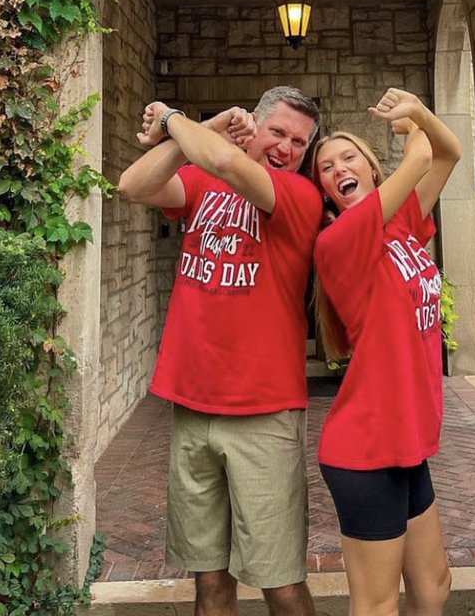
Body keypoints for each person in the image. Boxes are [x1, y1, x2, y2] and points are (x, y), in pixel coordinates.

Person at [118, 86, 322, 616]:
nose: (287, 148)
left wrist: (171, 118)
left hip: (264, 411)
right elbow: (133, 184)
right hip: (191, 403)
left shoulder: (298, 197)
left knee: (281, 583)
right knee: (208, 580)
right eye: (278, 132)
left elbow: (231, 162)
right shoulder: (204, 181)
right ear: (254, 124)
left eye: (300, 142)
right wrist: (198, 131)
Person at [311, 88, 463, 616]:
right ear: (327, 191)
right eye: (326, 168)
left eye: (348, 157)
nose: (336, 169)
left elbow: (447, 153)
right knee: (376, 604)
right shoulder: (339, 240)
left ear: (373, 170)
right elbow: (421, 155)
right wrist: (412, 120)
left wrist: (418, 116)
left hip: (406, 443)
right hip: (366, 450)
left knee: (434, 584)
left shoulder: (400, 225)